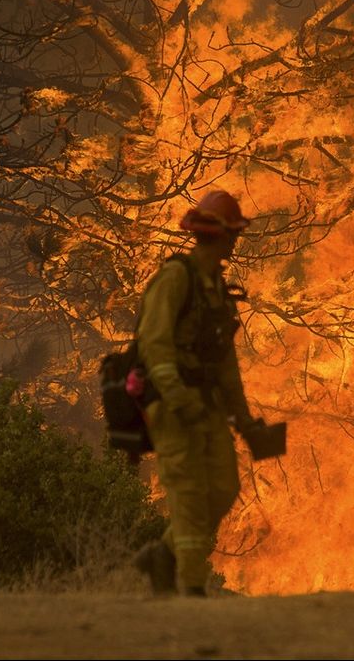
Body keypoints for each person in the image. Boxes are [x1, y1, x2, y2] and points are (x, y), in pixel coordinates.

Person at [133, 190, 255, 597]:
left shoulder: (214, 288)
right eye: (233, 234)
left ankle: (162, 556)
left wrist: (243, 417)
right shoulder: (175, 280)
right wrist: (178, 398)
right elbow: (154, 346)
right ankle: (192, 588)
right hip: (172, 406)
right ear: (219, 236)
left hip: (207, 407)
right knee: (187, 492)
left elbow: (225, 363)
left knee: (223, 489)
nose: (235, 242)